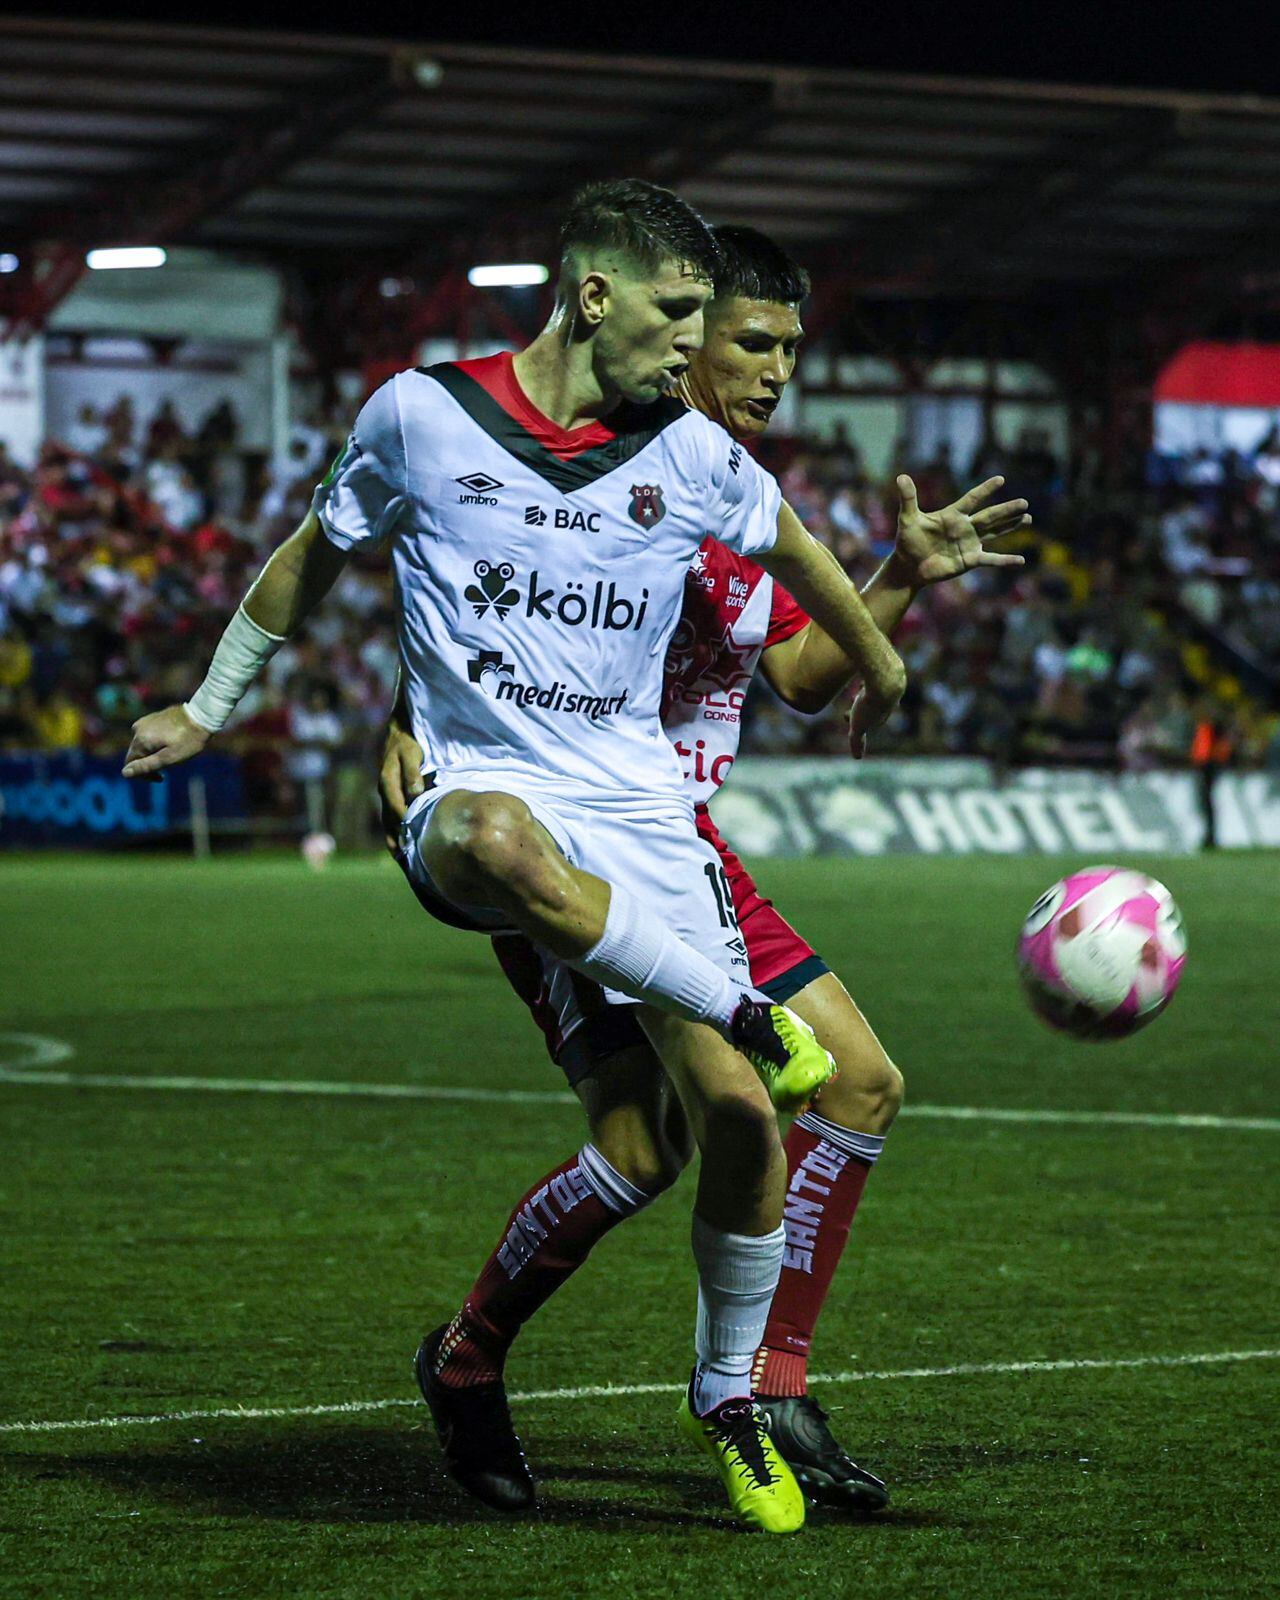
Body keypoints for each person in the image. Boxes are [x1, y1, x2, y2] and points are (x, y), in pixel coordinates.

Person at [122, 180, 911, 1535]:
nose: (713, 351)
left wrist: (887, 652)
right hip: (508, 817)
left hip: (651, 826)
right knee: (518, 880)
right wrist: (220, 702)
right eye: (697, 322)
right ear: (598, 299)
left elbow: (794, 576)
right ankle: (732, 1047)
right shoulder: (424, 415)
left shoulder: (692, 462)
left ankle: (705, 1387)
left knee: (717, 1125)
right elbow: (326, 557)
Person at [379, 225, 1029, 1515]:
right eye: (751, 340)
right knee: (669, 1132)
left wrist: (900, 575)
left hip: (690, 849)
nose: (779, 368)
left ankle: (754, 1382)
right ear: (677, 340)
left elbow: (798, 681)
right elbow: (465, 577)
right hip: (569, 849)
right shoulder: (611, 469)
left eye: (793, 344)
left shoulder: (725, 493)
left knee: (850, 1088)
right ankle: (539, 1368)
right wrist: (400, 719)